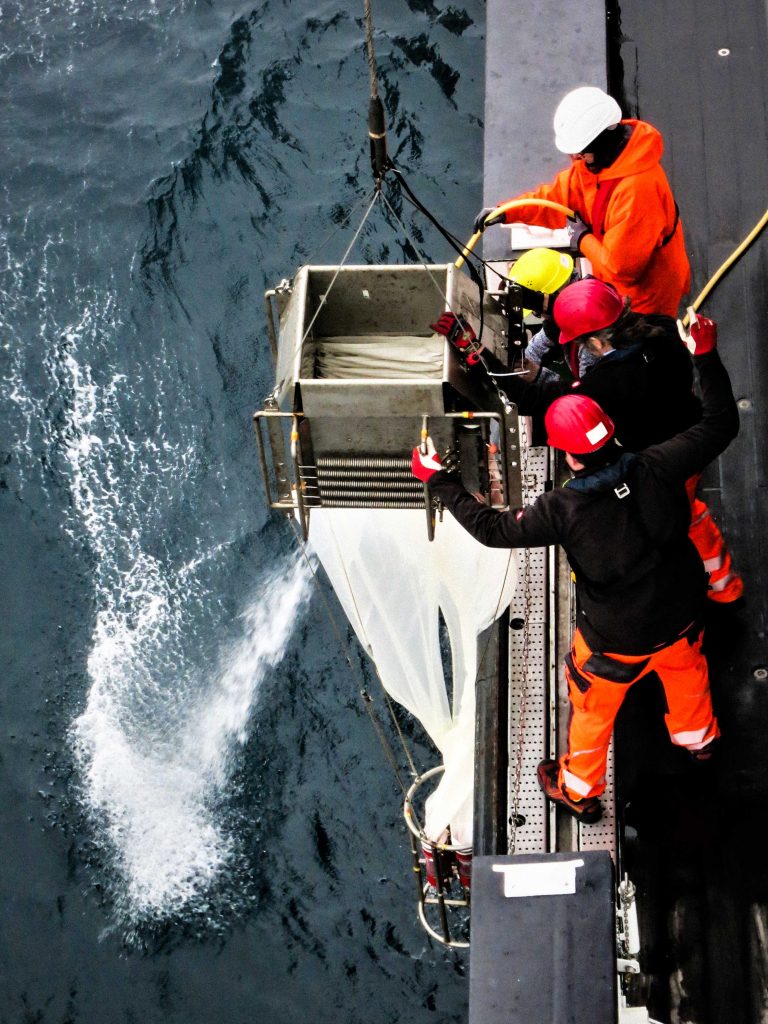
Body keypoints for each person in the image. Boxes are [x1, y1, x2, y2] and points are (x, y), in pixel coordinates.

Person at [413, 314, 738, 821]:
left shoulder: (562, 511)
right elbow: (721, 422)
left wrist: (440, 481)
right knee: (687, 673)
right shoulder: (660, 463)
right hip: (680, 611)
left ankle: (580, 791)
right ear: (609, 432)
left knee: (591, 711)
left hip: (617, 639)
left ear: (565, 453)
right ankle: (700, 743)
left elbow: (492, 529)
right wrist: (706, 352)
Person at [432, 279, 744, 603]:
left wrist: (477, 352)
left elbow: (531, 400)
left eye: (581, 342)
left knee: (681, 517)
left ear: (594, 341)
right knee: (685, 512)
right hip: (687, 436)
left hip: (659, 464)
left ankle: (718, 589)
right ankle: (721, 585)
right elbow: (719, 420)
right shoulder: (662, 328)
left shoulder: (608, 385)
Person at [474, 86, 690, 319]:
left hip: (646, 296)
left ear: (603, 141)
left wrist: (582, 238)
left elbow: (622, 269)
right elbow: (555, 199)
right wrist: (507, 211)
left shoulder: (638, 191)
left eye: (581, 153)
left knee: (640, 342)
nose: (574, 159)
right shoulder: (594, 166)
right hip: (612, 275)